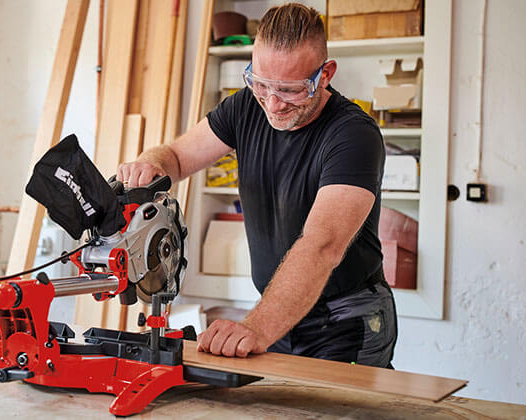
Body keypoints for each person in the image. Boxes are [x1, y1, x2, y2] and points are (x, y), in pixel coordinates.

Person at [117, 3, 397, 368]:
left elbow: (322, 244)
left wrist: (257, 327)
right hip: (280, 312)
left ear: (325, 74)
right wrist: (152, 164)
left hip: (346, 318)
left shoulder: (353, 135)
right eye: (261, 83)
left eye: (291, 89)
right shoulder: (247, 107)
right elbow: (177, 157)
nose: (273, 103)